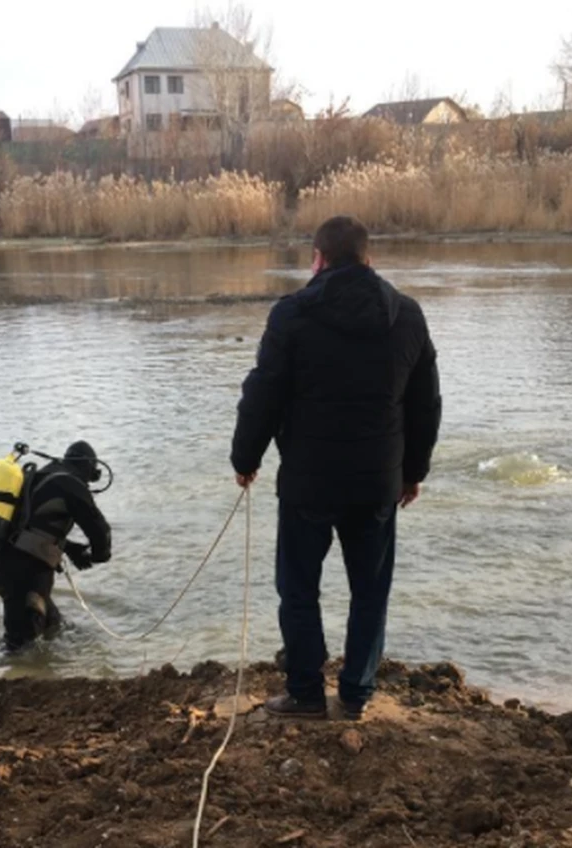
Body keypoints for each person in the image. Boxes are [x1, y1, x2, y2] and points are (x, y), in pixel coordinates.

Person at [231, 216, 441, 720]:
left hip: (308, 482)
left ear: (318, 259)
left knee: (298, 589)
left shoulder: (291, 316)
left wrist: (246, 458)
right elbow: (425, 404)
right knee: (370, 593)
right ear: (369, 259)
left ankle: (305, 694)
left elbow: (263, 392)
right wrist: (414, 472)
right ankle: (355, 694)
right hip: (377, 483)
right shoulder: (407, 315)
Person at [0, 440, 112, 651]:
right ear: (88, 468)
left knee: (52, 625)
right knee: (21, 646)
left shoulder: (42, 475)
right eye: (91, 475)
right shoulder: (73, 485)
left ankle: (40, 674)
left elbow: (33, 527)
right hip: (25, 575)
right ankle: (5, 678)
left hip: (2, 565)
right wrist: (100, 555)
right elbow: (100, 530)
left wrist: (70, 548)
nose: (89, 483)